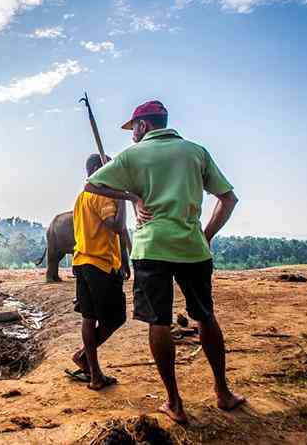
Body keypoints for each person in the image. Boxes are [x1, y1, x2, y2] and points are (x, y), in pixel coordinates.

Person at [85, 100, 245, 423]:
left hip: (151, 249)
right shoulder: (195, 151)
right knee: (206, 317)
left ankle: (174, 403)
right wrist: (207, 234)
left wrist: (133, 196)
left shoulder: (134, 156)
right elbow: (228, 198)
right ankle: (223, 393)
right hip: (193, 249)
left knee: (159, 322)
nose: (132, 137)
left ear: (143, 126)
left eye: (133, 130)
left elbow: (92, 183)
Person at [67, 153, 130, 390]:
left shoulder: (81, 196)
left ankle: (94, 374)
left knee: (89, 316)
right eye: (108, 166)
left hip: (82, 261)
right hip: (101, 265)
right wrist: (122, 197)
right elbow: (116, 226)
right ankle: (84, 357)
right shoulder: (102, 195)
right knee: (116, 318)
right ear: (96, 169)